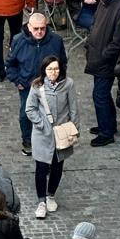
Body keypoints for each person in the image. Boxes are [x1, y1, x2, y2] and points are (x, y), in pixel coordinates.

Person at [25, 55, 79, 219]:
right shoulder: (37, 86)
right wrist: (41, 124)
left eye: (56, 68)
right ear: (44, 70)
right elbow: (30, 109)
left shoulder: (68, 84)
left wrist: (74, 129)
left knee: (57, 165)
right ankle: (41, 201)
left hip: (62, 133)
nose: (53, 72)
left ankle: (51, 195)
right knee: (41, 167)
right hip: (43, 134)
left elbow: (73, 108)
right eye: (50, 69)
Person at [5, 13, 66, 156]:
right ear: (29, 27)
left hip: (49, 85)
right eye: (36, 29)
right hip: (27, 86)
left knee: (51, 114)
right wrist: (17, 81)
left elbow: (62, 63)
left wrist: (58, 80)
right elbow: (10, 63)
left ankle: (48, 142)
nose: (39, 32)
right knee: (26, 115)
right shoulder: (18, 40)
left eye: (42, 28)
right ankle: (27, 141)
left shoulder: (56, 41)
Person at [84, 0, 120, 147]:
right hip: (97, 55)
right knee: (101, 94)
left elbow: (118, 40)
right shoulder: (105, 1)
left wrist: (103, 55)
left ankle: (106, 132)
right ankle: (107, 125)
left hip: (105, 60)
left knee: (100, 94)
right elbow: (95, 23)